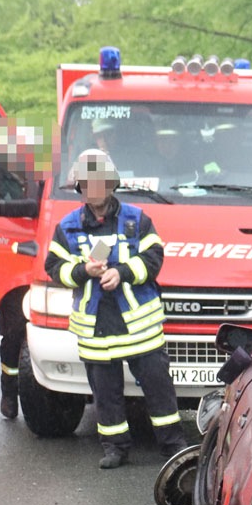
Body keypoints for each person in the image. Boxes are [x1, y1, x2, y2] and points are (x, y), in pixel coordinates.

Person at [45, 148, 187, 468]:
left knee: (159, 388)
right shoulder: (67, 227)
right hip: (96, 330)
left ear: (112, 184)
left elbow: (153, 259)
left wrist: (121, 272)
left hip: (140, 329)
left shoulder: (137, 219)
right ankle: (115, 448)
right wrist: (83, 272)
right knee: (105, 395)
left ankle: (172, 444)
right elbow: (54, 268)